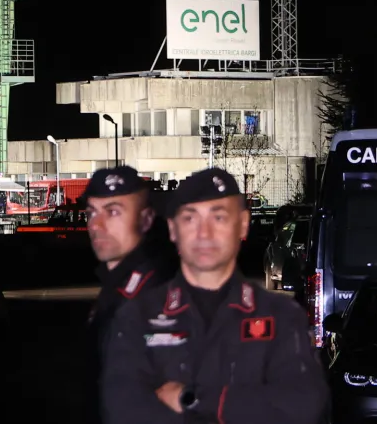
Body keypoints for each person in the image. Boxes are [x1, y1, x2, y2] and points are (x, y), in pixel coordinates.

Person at [101, 167, 328, 424]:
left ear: (243, 225)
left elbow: (303, 405)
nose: (204, 233)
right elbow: (122, 408)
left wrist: (195, 398)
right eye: (190, 218)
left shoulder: (281, 317)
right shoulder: (137, 318)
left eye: (218, 217)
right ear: (173, 229)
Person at [81, 166, 177, 422]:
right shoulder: (117, 285)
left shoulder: (156, 293)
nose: (97, 224)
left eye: (113, 211)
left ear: (145, 220)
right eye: (92, 212)